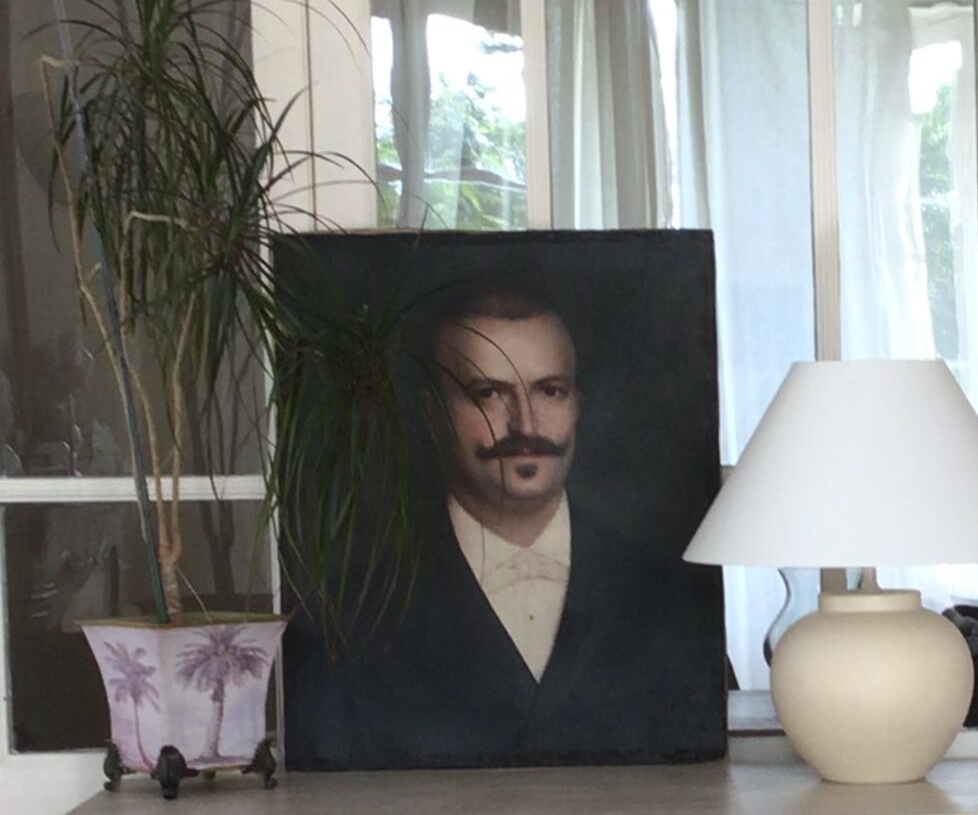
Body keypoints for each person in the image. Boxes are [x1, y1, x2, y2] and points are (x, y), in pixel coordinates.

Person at [283, 275, 726, 770]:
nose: (525, 425)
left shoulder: (674, 596)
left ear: (577, 404)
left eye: (550, 391)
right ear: (432, 413)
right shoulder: (347, 614)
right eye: (489, 394)